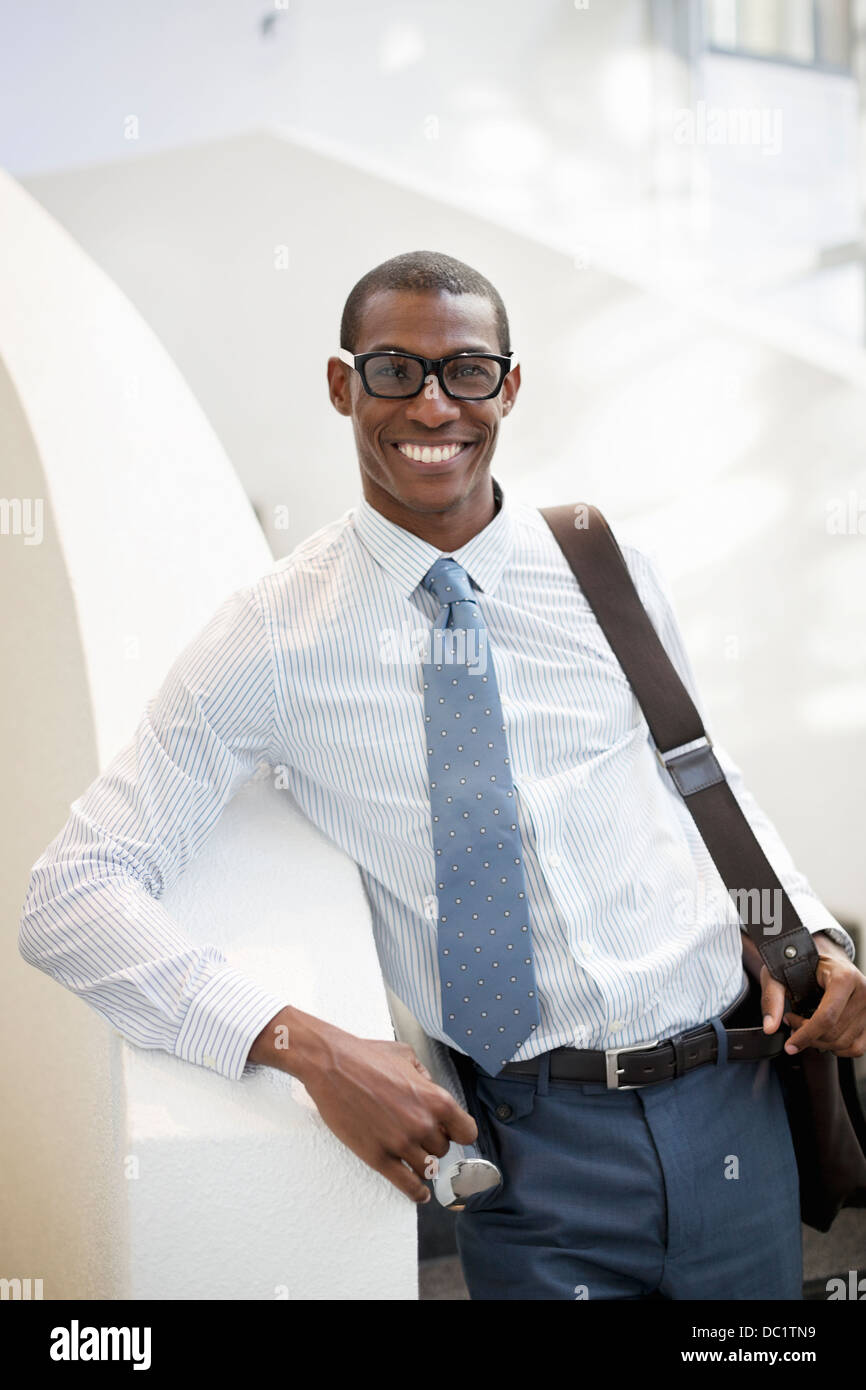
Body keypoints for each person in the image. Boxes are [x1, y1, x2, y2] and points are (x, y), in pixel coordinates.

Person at [20, 250, 866, 1301]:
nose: (431, 404)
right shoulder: (271, 637)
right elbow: (68, 896)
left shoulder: (599, 559)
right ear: (342, 386)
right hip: (525, 1151)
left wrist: (804, 931)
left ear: (507, 386)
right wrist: (307, 1046)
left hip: (733, 1093)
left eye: (465, 371)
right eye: (392, 370)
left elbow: (694, 766)